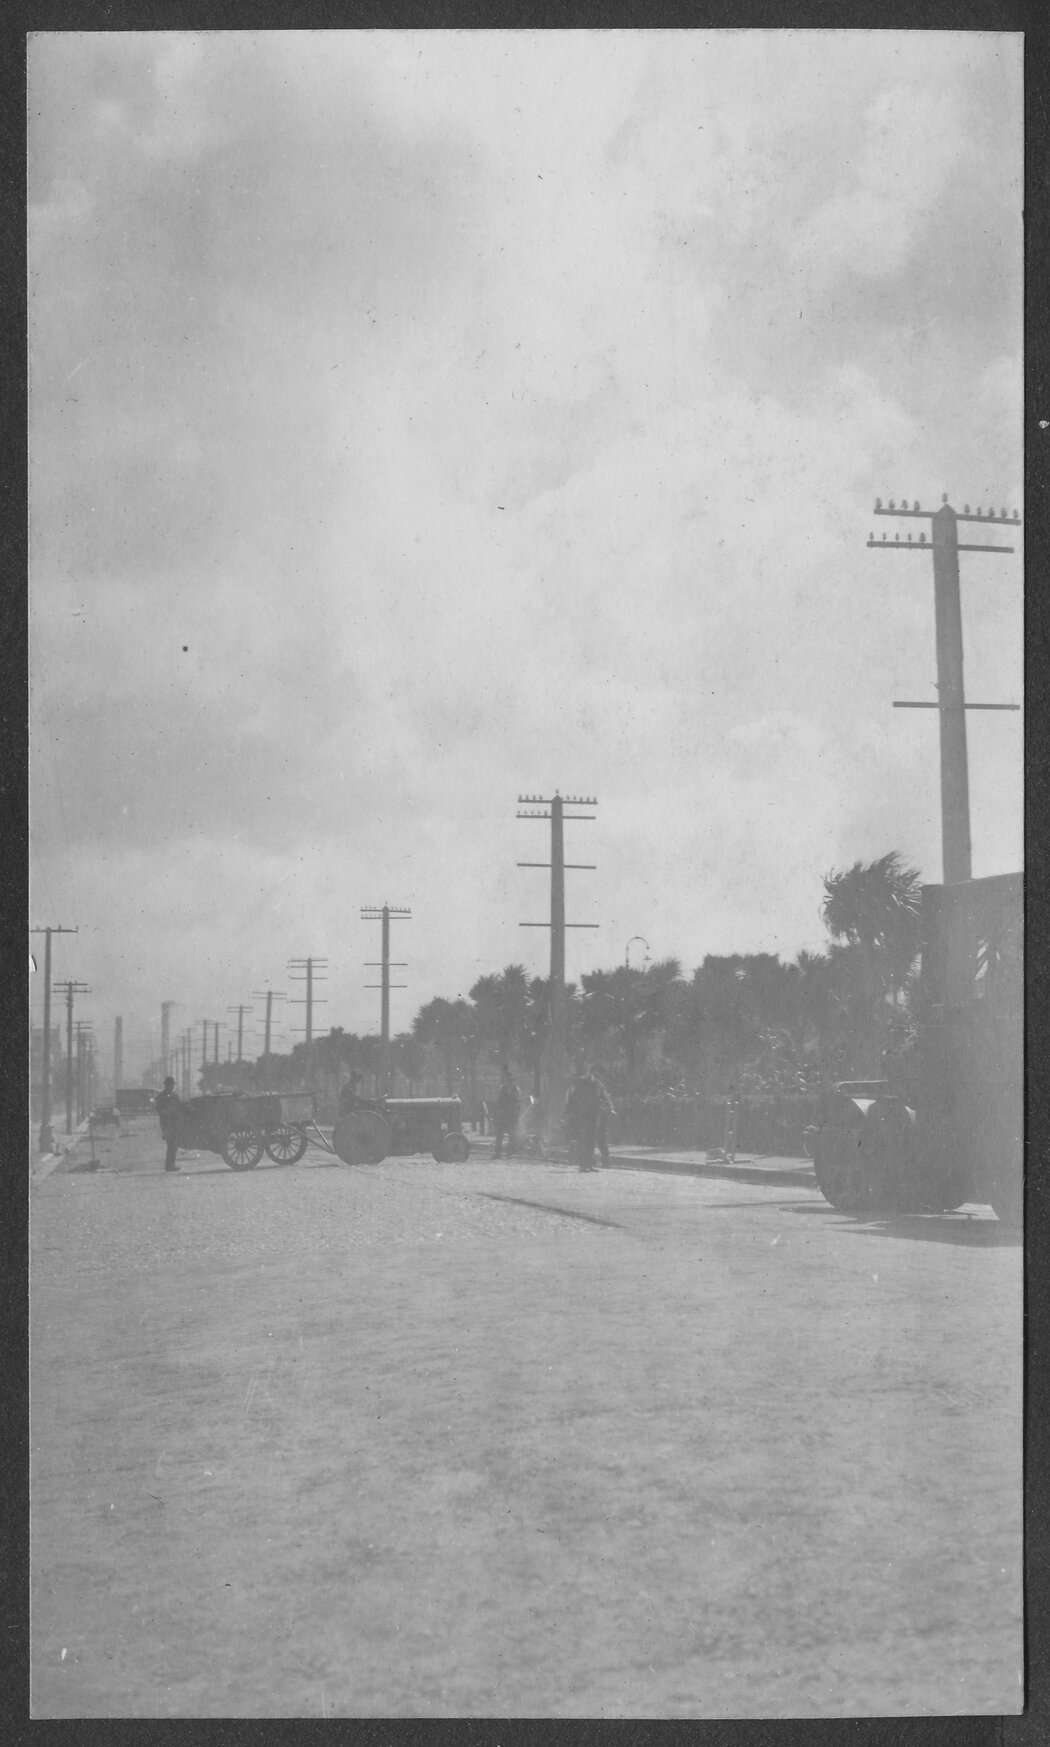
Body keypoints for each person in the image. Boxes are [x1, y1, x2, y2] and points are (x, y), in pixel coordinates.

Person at [565, 1070, 601, 1171]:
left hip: (591, 1116)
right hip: (583, 1117)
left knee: (590, 1141)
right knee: (584, 1141)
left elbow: (597, 1099)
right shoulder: (583, 1084)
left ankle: (589, 1164)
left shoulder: (595, 1084)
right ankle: (583, 1165)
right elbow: (573, 1100)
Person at [492, 1067, 520, 1159]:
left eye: (512, 1080)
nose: (511, 1082)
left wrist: (516, 1114)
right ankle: (498, 1153)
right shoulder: (502, 1089)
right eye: (509, 1080)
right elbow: (499, 1102)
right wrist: (499, 1112)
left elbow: (518, 1103)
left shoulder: (516, 1090)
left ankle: (509, 1153)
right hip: (503, 1115)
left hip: (512, 1115)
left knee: (512, 1135)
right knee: (500, 1134)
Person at [155, 1076, 181, 1173]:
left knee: (174, 1144)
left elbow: (179, 1107)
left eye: (172, 1085)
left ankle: (171, 1164)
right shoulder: (161, 1096)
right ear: (166, 1085)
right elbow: (158, 1109)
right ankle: (169, 1165)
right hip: (166, 1122)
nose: (171, 1086)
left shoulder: (175, 1096)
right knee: (171, 1143)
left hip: (174, 1122)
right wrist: (167, 1112)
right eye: (169, 1085)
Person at [593, 1074, 615, 1169]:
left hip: (598, 1115)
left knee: (599, 1138)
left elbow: (606, 1098)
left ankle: (604, 1161)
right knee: (599, 1139)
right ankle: (602, 1161)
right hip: (597, 1115)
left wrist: (611, 1108)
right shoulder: (598, 1086)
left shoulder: (599, 1086)